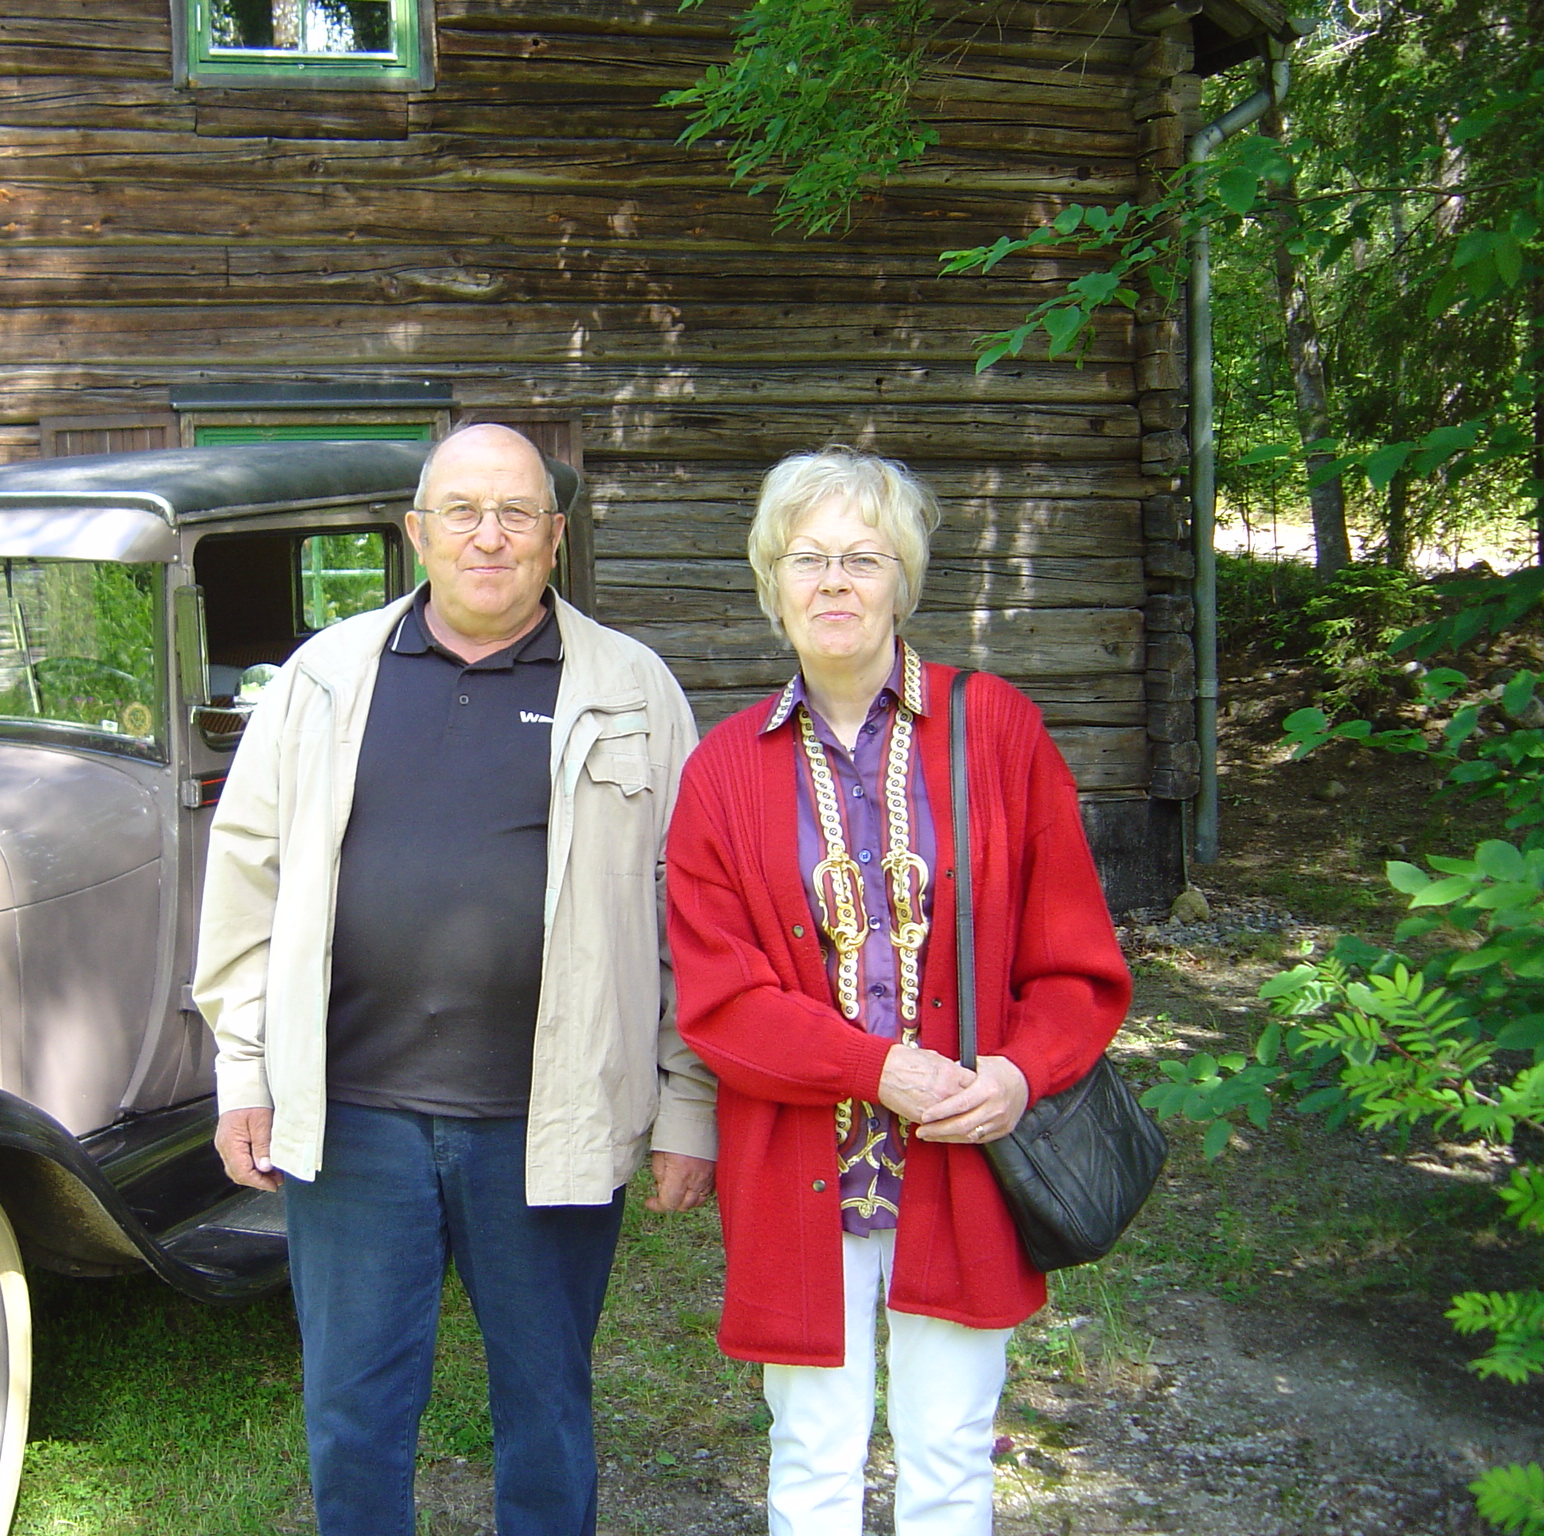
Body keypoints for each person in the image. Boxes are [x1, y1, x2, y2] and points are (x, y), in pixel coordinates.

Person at [194, 423, 718, 1536]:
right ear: (417, 532)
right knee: (353, 1415)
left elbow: (690, 910)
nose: (489, 536)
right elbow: (246, 877)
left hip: (548, 1123)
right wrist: (244, 1071)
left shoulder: (631, 687)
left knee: (547, 1410)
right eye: (463, 512)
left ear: (554, 536)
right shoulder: (323, 678)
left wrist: (689, 1103)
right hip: (352, 1120)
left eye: (515, 513)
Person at [663, 447, 1131, 1536]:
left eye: (862, 558)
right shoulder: (723, 770)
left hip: (965, 1162)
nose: (834, 581)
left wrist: (1018, 1076)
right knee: (811, 1458)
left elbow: (1074, 961)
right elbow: (721, 1001)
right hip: (798, 1167)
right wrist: (873, 1067)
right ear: (773, 581)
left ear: (901, 580)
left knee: (951, 1452)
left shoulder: (996, 729)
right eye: (807, 558)